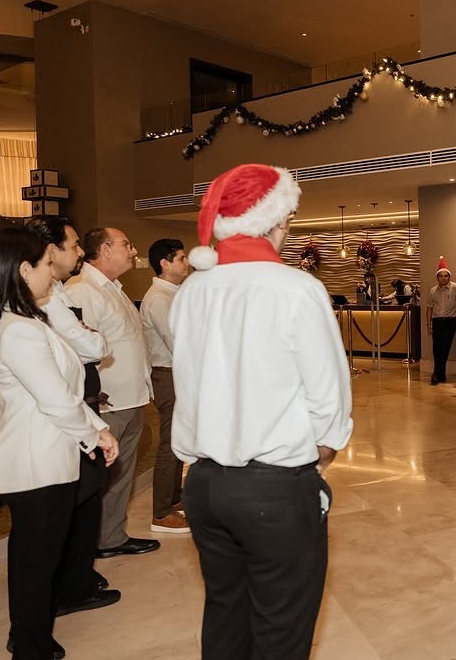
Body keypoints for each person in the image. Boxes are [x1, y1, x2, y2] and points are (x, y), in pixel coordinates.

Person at [171, 163, 352, 660]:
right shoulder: (295, 288)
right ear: (274, 221)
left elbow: (186, 382)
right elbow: (327, 394)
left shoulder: (191, 292)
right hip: (273, 488)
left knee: (227, 612)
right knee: (281, 629)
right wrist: (324, 448)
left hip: (204, 485)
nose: (289, 228)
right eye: (288, 218)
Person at [0, 228, 119, 660]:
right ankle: (30, 646)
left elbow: (62, 393)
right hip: (35, 457)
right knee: (37, 564)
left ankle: (29, 636)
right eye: (45, 265)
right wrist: (95, 433)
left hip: (46, 450)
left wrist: (96, 428)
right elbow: (56, 401)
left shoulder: (26, 320)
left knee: (36, 559)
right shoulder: (17, 328)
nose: (52, 275)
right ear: (24, 269)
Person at [23, 217, 121, 618]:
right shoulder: (43, 300)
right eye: (74, 245)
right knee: (79, 495)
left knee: (87, 492)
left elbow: (90, 343)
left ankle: (78, 574)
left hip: (79, 395)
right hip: (69, 402)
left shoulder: (58, 290)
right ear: (50, 251)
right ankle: (72, 583)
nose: (80, 251)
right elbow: (89, 344)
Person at [65, 228, 159, 559]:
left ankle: (111, 538)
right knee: (95, 482)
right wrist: (93, 401)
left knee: (120, 477)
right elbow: (76, 350)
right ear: (105, 249)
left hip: (131, 396)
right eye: (126, 244)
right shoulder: (81, 291)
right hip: (106, 403)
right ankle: (86, 549)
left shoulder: (113, 289)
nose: (133, 251)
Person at [141, 238, 191, 534]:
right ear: (165, 263)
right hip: (168, 374)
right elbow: (179, 344)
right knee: (170, 444)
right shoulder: (159, 299)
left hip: (178, 373)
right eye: (182, 258)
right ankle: (161, 512)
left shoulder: (174, 294)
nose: (187, 263)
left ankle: (174, 500)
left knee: (179, 441)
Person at [425, 257, 456, 385]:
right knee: (436, 349)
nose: (443, 278)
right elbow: (429, 308)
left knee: (445, 348)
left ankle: (437, 374)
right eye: (441, 276)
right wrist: (428, 324)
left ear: (449, 276)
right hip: (437, 322)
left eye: (446, 276)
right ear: (437, 277)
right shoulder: (432, 290)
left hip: (450, 322)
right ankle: (440, 374)